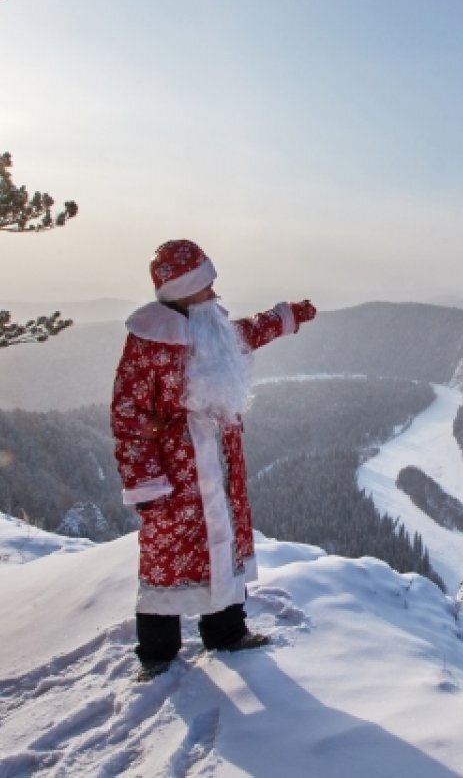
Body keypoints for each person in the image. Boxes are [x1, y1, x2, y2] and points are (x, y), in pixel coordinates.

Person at [111, 238, 316, 680]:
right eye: (206, 287)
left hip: (219, 461)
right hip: (174, 472)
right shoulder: (147, 341)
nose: (214, 294)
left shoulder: (210, 325)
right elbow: (129, 414)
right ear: (184, 290)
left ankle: (226, 632)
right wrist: (145, 481)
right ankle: (158, 654)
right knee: (167, 557)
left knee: (222, 547)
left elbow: (246, 334)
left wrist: (287, 317)